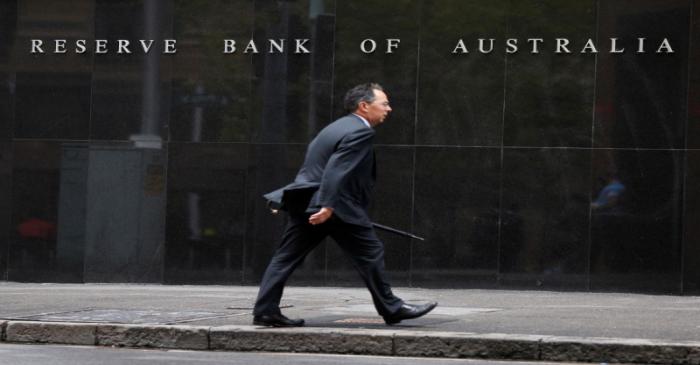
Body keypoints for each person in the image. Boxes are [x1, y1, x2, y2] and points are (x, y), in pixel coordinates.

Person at [252, 83, 437, 327]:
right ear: (364, 106)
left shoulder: (335, 127)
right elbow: (336, 169)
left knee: (285, 257)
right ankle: (392, 308)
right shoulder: (360, 131)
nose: (389, 109)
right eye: (384, 103)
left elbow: (314, 168)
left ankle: (265, 310)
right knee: (371, 252)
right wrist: (327, 206)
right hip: (336, 207)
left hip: (308, 202)